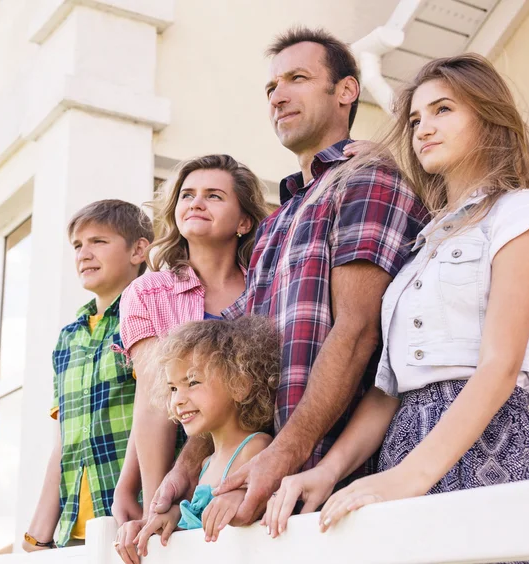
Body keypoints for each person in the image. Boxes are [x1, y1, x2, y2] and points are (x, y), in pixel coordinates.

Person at [263, 54, 529, 563]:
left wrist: (409, 476)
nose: (423, 129)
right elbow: (389, 388)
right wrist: (327, 471)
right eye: (415, 119)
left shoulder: (523, 214)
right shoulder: (423, 246)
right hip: (401, 445)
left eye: (443, 111)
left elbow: (499, 367)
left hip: (487, 446)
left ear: (489, 117)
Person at [148, 26, 428, 527]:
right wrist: (188, 468)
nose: (278, 95)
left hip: (337, 486)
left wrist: (285, 456)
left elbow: (359, 330)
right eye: (271, 87)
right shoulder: (279, 219)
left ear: (346, 91)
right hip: (266, 490)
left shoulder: (365, 177)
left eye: (297, 78)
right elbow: (236, 362)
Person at [112, 155, 269, 564]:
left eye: (214, 196)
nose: (196, 202)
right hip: (191, 476)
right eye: (187, 195)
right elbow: (153, 401)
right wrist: (155, 503)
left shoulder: (268, 284)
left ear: (243, 222)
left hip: (258, 459)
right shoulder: (147, 293)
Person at [23, 200, 153, 550]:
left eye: (99, 241)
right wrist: (38, 533)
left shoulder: (149, 315)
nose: (84, 254)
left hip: (132, 524)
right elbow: (64, 441)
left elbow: (155, 417)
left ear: (138, 249)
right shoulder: (69, 337)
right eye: (78, 245)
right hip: (73, 534)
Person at [130, 316, 280, 557]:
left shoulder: (255, 447)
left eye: (192, 382)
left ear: (239, 384)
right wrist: (175, 514)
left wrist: (240, 496)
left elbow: (264, 501)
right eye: (173, 388)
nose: (177, 399)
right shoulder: (205, 463)